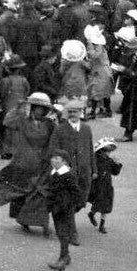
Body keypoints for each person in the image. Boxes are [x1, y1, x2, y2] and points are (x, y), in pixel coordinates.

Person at [0, 92, 55, 235]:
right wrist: (17, 108)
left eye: (43, 109)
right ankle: (22, 218)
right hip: (22, 162)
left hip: (41, 163)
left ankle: (42, 222)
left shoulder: (50, 124)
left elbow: (55, 140)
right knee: (21, 192)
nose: (40, 111)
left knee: (40, 194)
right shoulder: (22, 120)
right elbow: (7, 122)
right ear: (33, 108)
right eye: (37, 108)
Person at [49, 98, 95, 245]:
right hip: (67, 173)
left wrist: (94, 169)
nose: (73, 114)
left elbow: (90, 150)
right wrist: (60, 168)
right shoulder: (60, 129)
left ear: (81, 113)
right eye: (70, 112)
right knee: (70, 202)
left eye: (76, 112)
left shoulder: (86, 129)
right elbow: (53, 150)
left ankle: (63, 218)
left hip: (84, 172)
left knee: (81, 201)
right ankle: (72, 232)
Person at [46, 149, 81, 271]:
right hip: (56, 207)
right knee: (60, 232)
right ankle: (66, 256)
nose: (53, 160)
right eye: (52, 158)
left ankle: (63, 258)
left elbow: (76, 192)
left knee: (63, 232)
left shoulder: (68, 175)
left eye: (57, 159)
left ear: (64, 162)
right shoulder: (53, 172)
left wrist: (69, 205)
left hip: (65, 208)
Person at [87, 137, 121, 234]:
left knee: (106, 206)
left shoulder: (109, 160)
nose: (108, 154)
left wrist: (117, 164)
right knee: (97, 203)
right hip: (97, 185)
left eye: (109, 152)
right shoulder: (95, 160)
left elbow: (115, 172)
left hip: (107, 186)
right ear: (101, 151)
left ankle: (102, 225)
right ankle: (92, 213)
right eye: (106, 151)